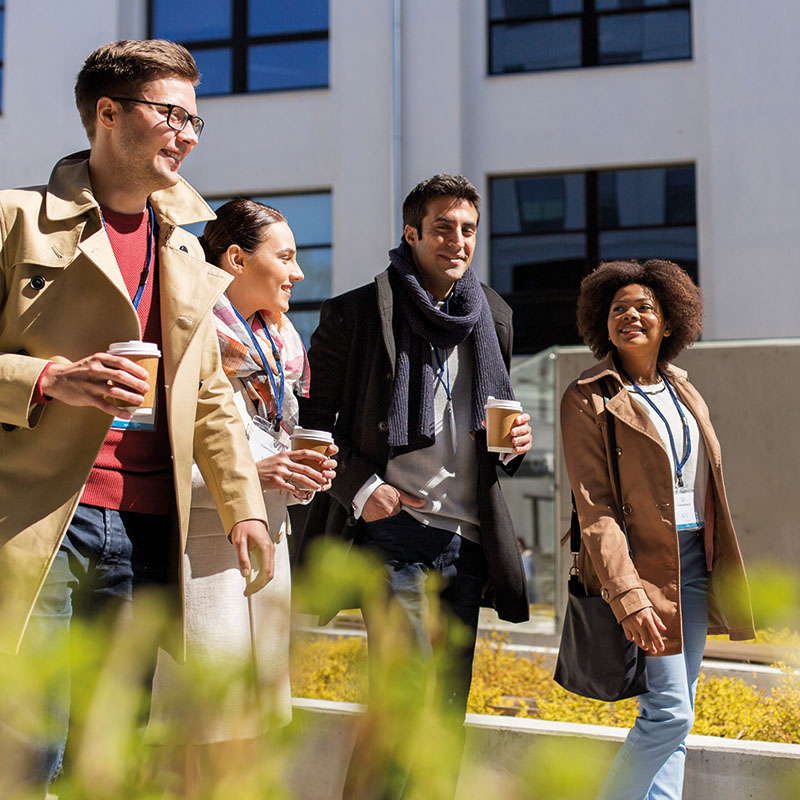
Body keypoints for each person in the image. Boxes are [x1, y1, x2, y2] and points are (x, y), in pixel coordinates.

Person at [0, 41, 272, 796]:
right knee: (27, 744)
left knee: (111, 751)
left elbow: (211, 392)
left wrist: (243, 504)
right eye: (170, 114)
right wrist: (52, 378)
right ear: (108, 114)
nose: (185, 133)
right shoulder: (15, 221)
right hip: (41, 520)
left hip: (150, 523)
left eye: (195, 119)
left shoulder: (185, 247)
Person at [299, 174, 533, 798]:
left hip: (470, 536)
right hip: (394, 532)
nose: (457, 241)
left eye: (468, 230)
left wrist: (512, 446)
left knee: (444, 712)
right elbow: (313, 425)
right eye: (442, 228)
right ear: (412, 233)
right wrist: (363, 486)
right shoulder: (356, 312)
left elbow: (492, 424)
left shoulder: (494, 314)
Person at [149, 199, 337, 781]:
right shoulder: (186, 332)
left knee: (251, 727)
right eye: (284, 257)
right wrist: (257, 473)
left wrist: (298, 476)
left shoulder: (278, 342)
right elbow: (165, 454)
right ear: (234, 259)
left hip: (265, 553)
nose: (298, 273)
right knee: (199, 728)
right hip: (204, 554)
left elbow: (267, 440)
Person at [560, 259, 755, 799]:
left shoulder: (685, 392)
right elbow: (594, 509)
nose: (631, 315)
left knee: (678, 716)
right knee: (669, 714)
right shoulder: (588, 396)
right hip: (644, 570)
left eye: (645, 307)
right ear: (604, 322)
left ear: (669, 322)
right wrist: (630, 595)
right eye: (619, 308)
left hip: (695, 560)